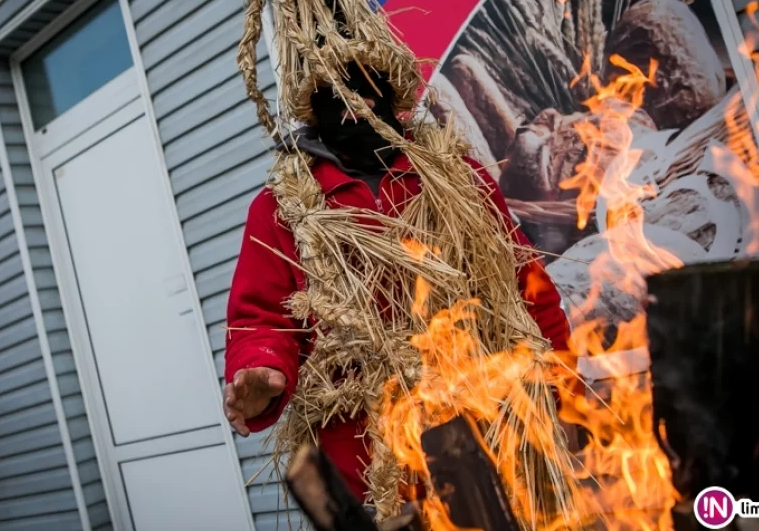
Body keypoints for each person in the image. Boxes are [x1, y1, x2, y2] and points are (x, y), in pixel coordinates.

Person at [223, 63, 571, 503]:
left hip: (492, 439)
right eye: (338, 91)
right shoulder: (282, 208)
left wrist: (564, 390)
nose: (359, 101)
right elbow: (261, 317)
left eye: (368, 85)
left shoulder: (458, 179)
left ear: (394, 94)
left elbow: (527, 287)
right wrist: (262, 365)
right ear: (313, 105)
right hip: (367, 471)